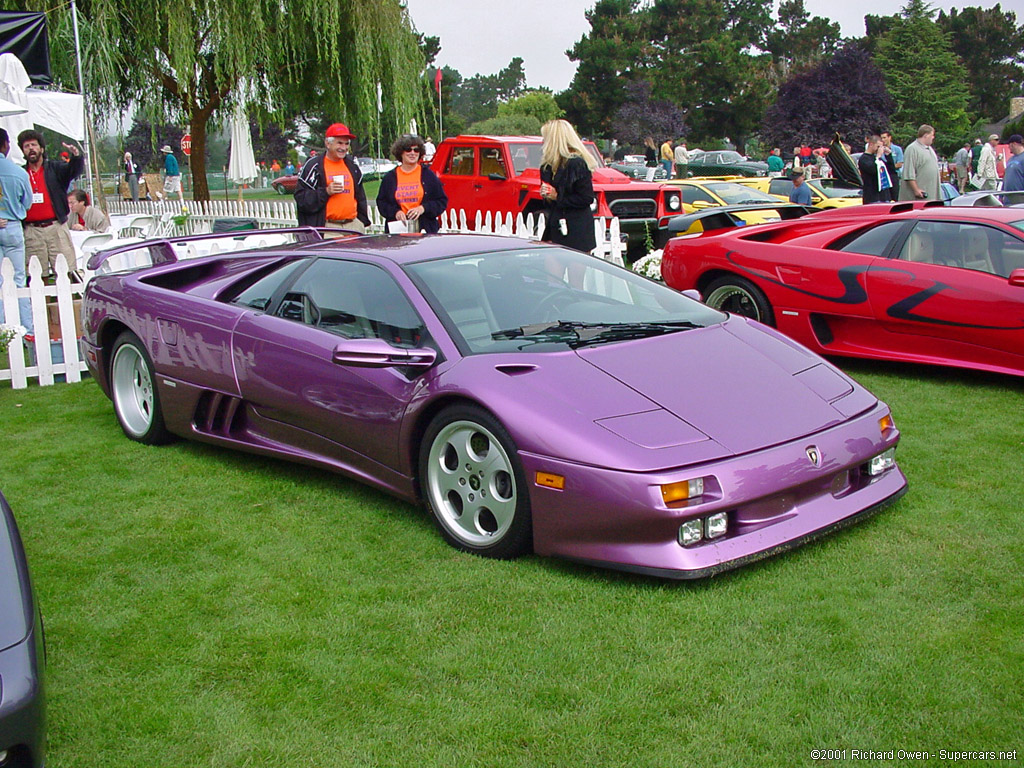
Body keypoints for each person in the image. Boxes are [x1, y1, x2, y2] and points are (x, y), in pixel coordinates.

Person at [18, 129, 83, 277]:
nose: (31, 149)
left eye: (34, 145)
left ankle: (70, 300)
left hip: (56, 226)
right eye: (26, 146)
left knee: (66, 271)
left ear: (41, 148)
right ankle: (44, 301)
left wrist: (77, 156)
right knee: (37, 275)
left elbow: (73, 170)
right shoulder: (21, 174)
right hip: (32, 230)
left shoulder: (55, 168)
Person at [294, 122, 370, 232]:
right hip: (328, 227)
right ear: (328, 144)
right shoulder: (314, 166)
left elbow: (360, 197)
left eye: (346, 144)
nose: (343, 148)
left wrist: (361, 221)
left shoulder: (352, 166)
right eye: (339, 143)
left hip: (353, 225)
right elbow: (301, 199)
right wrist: (326, 192)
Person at [539, 119, 597, 259]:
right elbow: (549, 202)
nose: (543, 141)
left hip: (577, 227)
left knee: (575, 278)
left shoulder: (577, 164)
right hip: (555, 224)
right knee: (551, 276)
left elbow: (586, 198)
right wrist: (547, 196)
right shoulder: (547, 166)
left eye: (545, 138)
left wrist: (557, 197)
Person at [375, 134, 448, 234]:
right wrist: (396, 212)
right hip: (398, 230)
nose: (412, 153)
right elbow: (382, 203)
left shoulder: (428, 175)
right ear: (400, 152)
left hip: (425, 230)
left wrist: (423, 208)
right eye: (408, 149)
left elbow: (441, 201)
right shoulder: (390, 178)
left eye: (416, 150)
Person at [0, 128, 34, 336]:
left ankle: (2, 327)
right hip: (13, 225)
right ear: (6, 145)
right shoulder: (19, 173)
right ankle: (26, 328)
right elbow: (27, 202)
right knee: (19, 279)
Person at [899, 125, 940, 201]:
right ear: (926, 135)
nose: (933, 137)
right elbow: (909, 173)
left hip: (931, 194)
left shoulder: (930, 149)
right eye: (932, 135)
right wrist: (916, 190)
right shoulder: (912, 149)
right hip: (919, 197)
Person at [858, 135, 894, 204]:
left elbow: (891, 170)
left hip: (884, 196)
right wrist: (878, 157)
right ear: (871, 144)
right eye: (878, 147)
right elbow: (873, 170)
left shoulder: (877, 159)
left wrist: (888, 155)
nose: (879, 149)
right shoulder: (864, 159)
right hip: (872, 197)